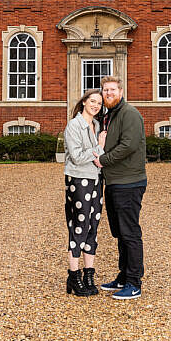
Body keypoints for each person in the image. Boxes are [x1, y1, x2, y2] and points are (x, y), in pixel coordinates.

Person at [93, 75, 146, 300]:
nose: (109, 94)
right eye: (105, 90)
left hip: (129, 182)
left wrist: (103, 160)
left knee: (129, 232)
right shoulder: (109, 115)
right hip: (115, 181)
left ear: (121, 92)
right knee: (120, 233)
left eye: (113, 90)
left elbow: (128, 145)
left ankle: (134, 282)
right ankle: (123, 276)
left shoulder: (129, 114)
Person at [62, 88, 106, 296]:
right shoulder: (74, 125)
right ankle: (74, 275)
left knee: (93, 226)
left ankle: (89, 274)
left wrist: (99, 150)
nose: (96, 105)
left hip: (95, 179)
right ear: (83, 102)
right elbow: (78, 157)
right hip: (78, 179)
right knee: (79, 225)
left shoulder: (96, 125)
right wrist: (99, 147)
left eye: (99, 103)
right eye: (93, 101)